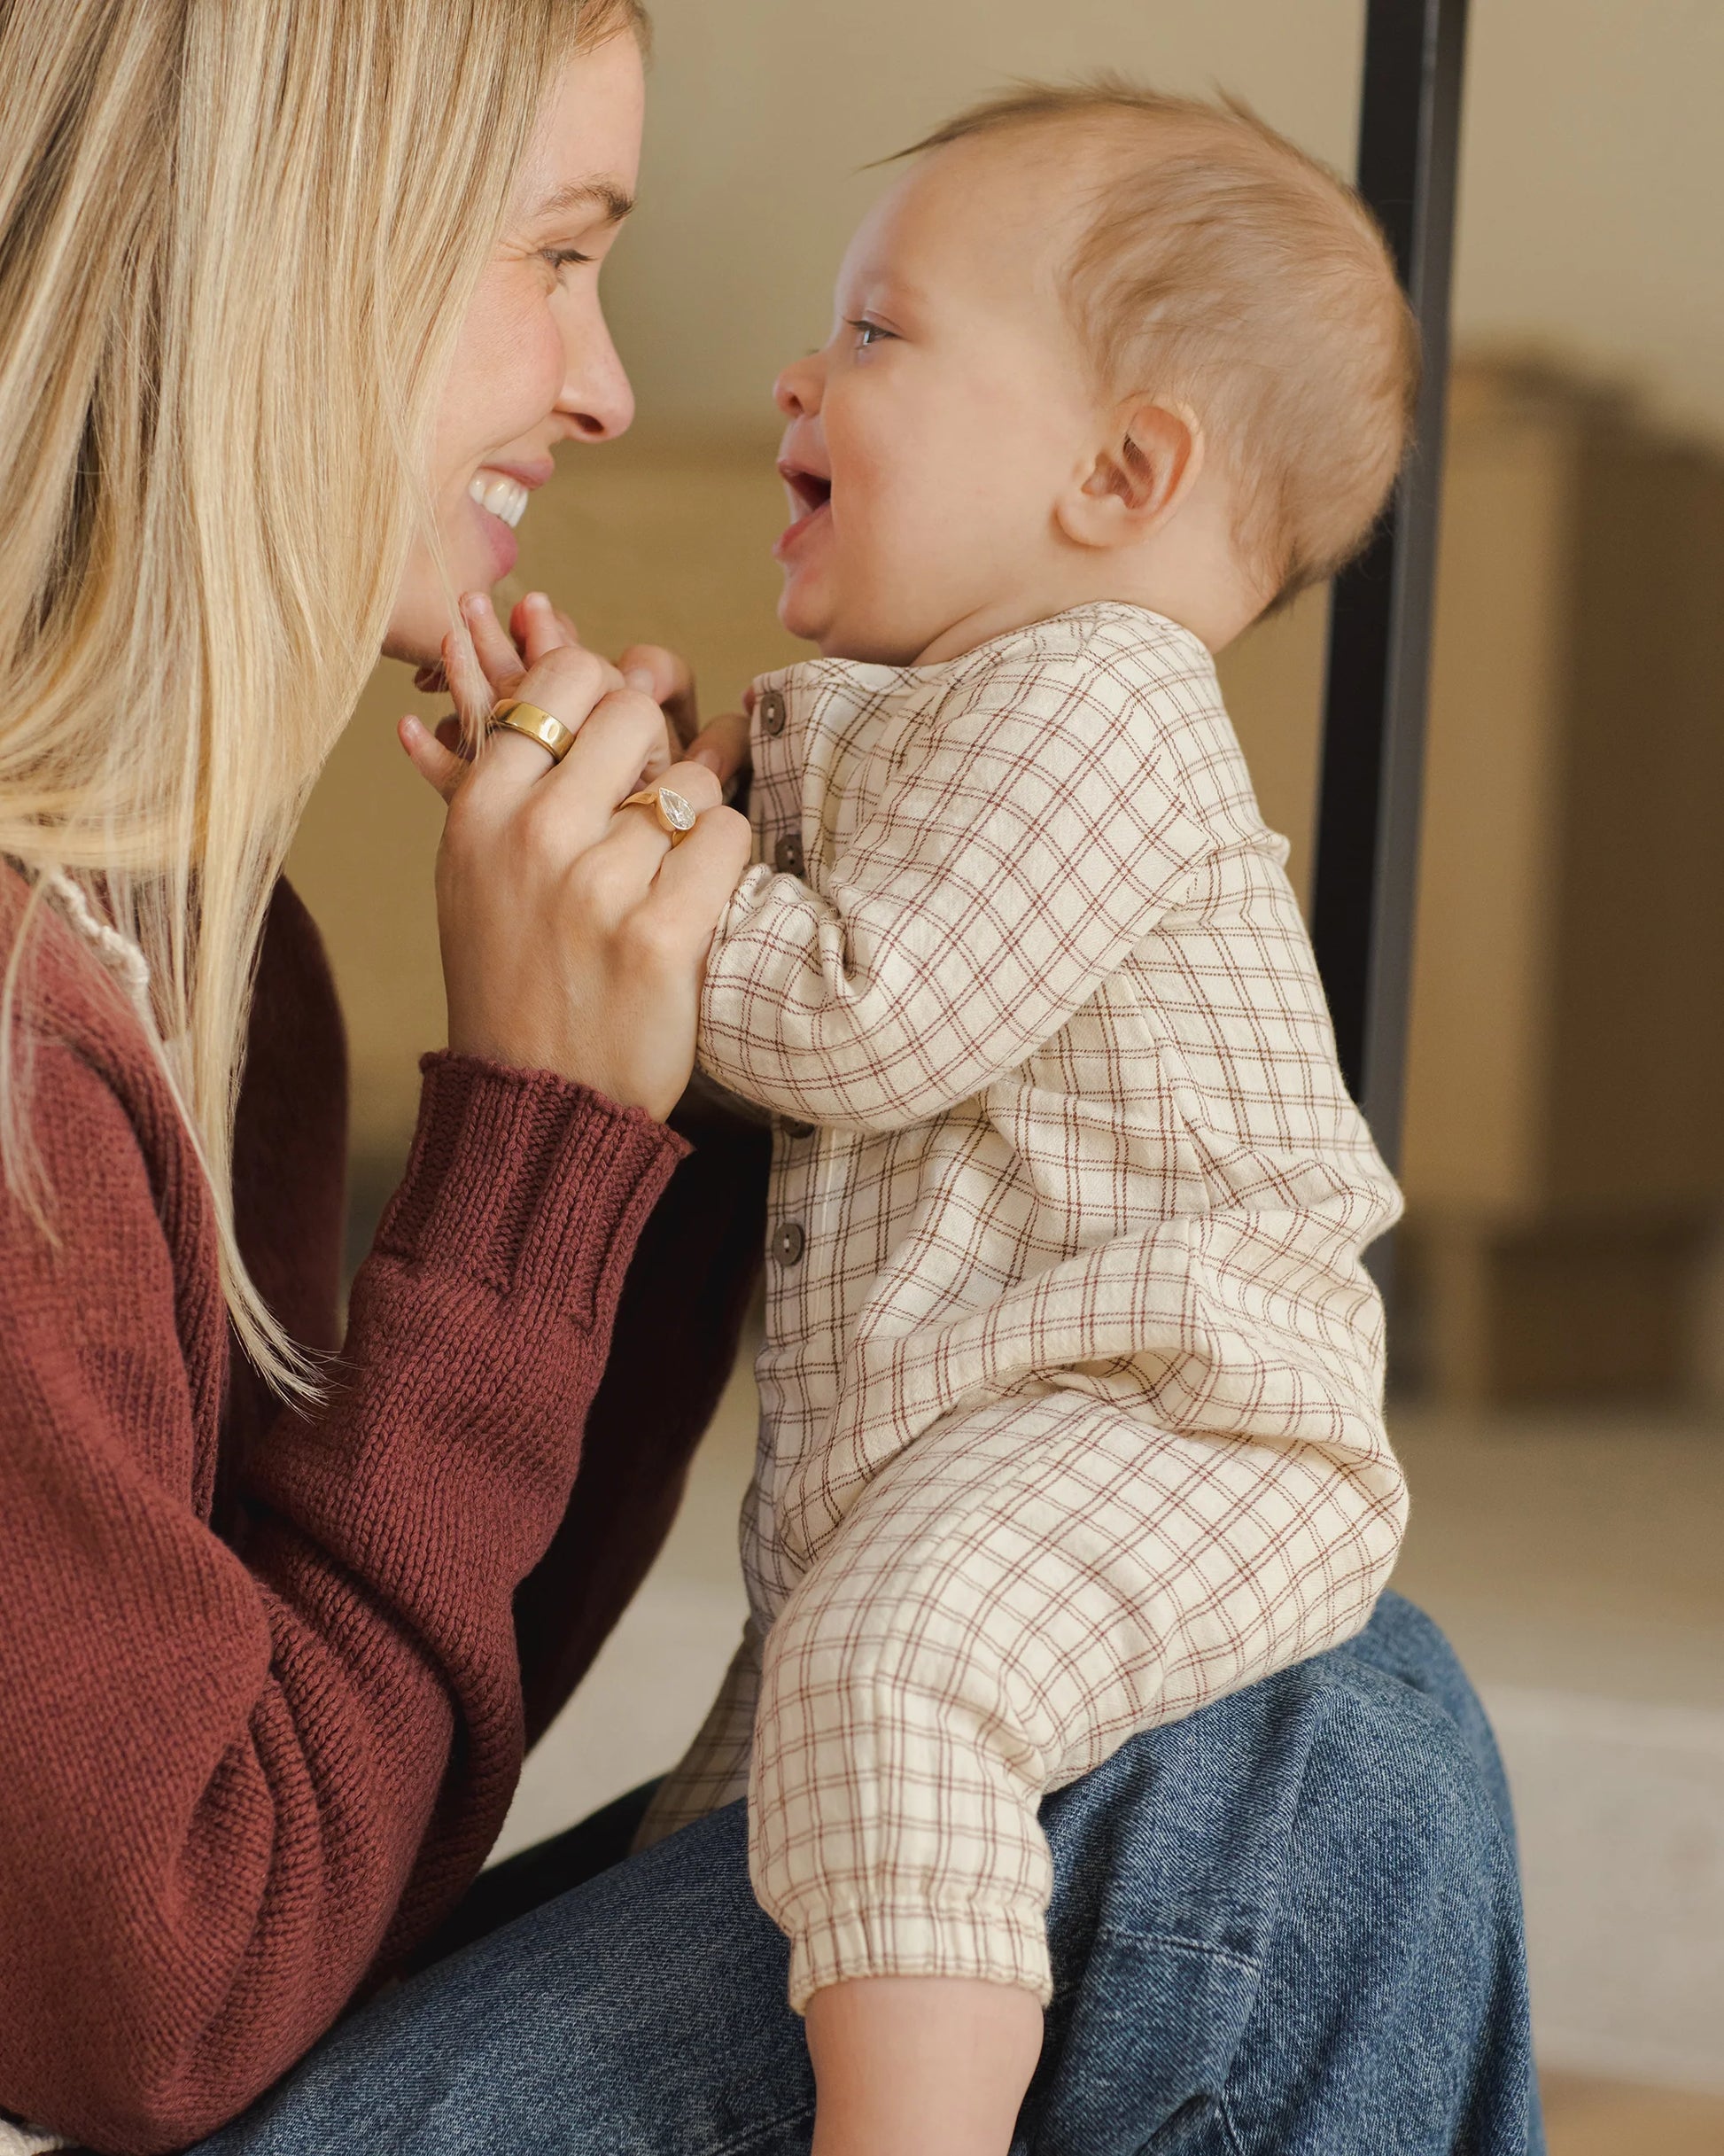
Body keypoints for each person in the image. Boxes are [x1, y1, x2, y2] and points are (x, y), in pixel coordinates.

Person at [0, 6, 1542, 2155]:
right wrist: (547, 1129)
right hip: (161, 2048)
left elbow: (370, 1749)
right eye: (554, 255)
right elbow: (158, 2000)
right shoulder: (22, 1041)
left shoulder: (217, 956)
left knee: (1322, 1715)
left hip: (244, 2004)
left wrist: (641, 1075)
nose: (616, 382)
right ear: (285, 260)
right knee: (1311, 1769)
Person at [617, 80, 1424, 2149]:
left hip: (1183, 1411)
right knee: (754, 1801)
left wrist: (654, 882)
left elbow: (872, 1013)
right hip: (979, 1433)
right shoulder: (953, 708)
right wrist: (645, 799)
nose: (803, 370)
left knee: (898, 1674)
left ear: (1118, 470)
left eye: (879, 333)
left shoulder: (1100, 697)